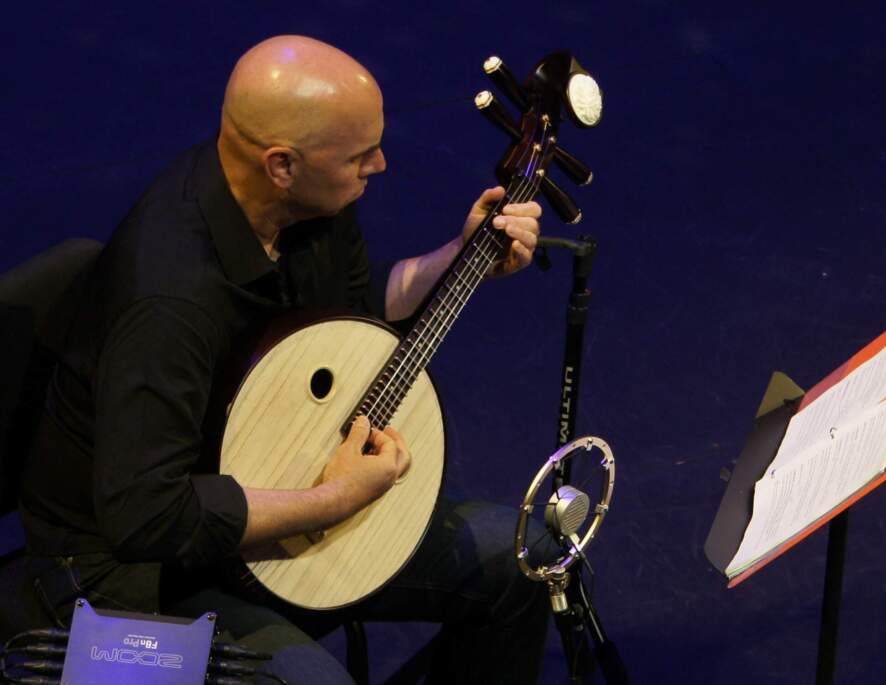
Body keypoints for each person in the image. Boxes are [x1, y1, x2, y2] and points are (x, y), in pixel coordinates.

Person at [19, 35, 549, 683]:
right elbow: (147, 515)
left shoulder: (311, 203)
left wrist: (460, 257)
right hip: (138, 570)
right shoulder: (170, 298)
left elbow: (349, 307)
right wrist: (334, 497)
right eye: (360, 154)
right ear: (281, 165)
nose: (380, 165)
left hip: (274, 468)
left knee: (525, 558)